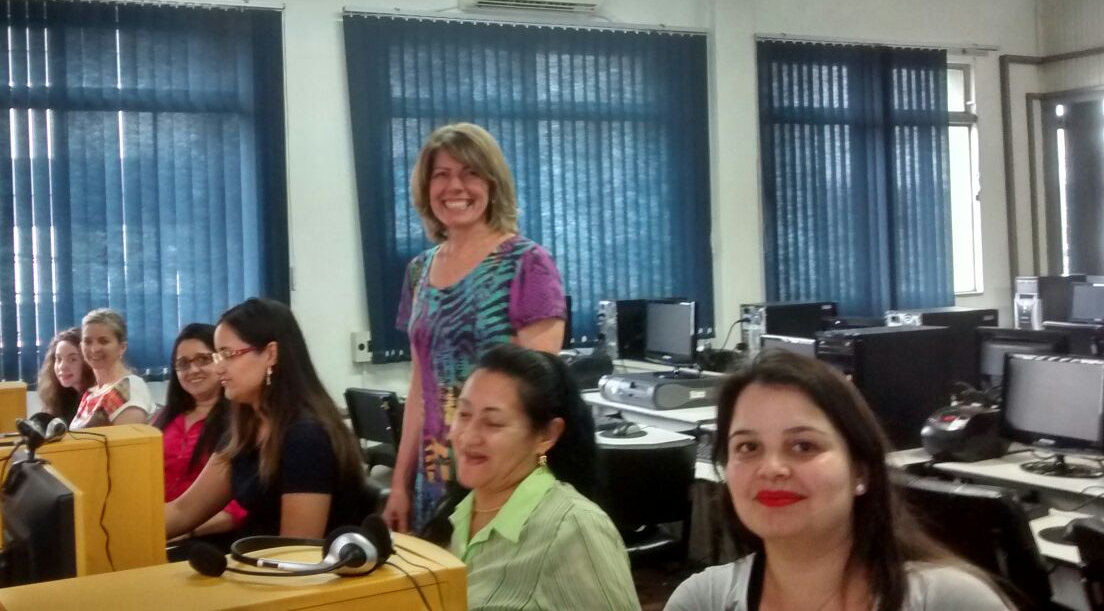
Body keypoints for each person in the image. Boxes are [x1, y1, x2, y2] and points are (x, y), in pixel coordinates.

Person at [665, 349, 1012, 611]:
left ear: (860, 470)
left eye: (803, 446)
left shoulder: (949, 601)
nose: (771, 468)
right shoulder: (701, 601)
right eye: (748, 447)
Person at [385, 122, 568, 533]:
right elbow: (420, 386)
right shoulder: (418, 271)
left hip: (501, 470)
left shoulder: (527, 264)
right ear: (426, 187)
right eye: (442, 174)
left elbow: (538, 391)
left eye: (470, 173)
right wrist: (399, 482)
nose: (456, 186)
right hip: (435, 469)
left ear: (492, 183)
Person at [432, 344, 638, 610]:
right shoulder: (460, 510)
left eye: (493, 423)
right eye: (463, 414)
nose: (468, 436)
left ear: (546, 435)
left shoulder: (573, 528)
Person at [164, 298, 365, 539]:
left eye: (228, 354)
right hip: (250, 553)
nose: (219, 369)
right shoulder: (246, 426)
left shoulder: (306, 437)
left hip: (282, 560)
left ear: (270, 354)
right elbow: (184, 510)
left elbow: (295, 549)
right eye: (218, 356)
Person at [154, 323, 247, 540]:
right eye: (183, 364)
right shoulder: (162, 418)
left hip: (209, 538)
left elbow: (240, 505)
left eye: (203, 359)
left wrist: (188, 532)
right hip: (160, 528)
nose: (193, 370)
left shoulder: (240, 422)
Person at [70, 308, 155, 429]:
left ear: (122, 347)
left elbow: (128, 441)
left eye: (103, 341)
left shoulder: (129, 389)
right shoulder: (92, 393)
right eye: (88, 342)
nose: (94, 349)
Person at [36, 327, 94, 422]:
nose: (62, 367)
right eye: (59, 359)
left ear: (87, 362)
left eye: (72, 359)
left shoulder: (97, 399)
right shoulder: (60, 396)